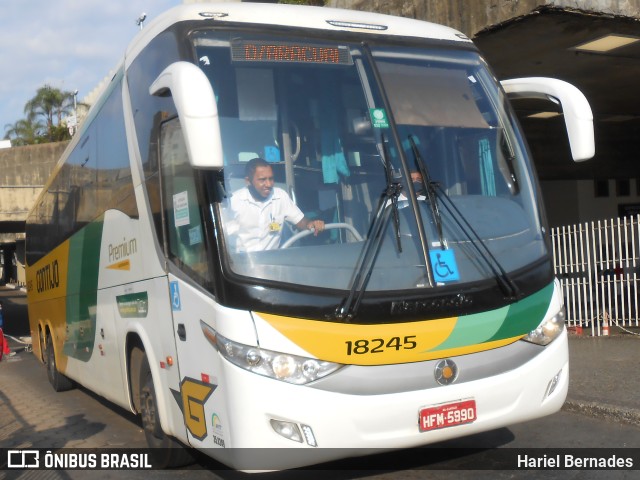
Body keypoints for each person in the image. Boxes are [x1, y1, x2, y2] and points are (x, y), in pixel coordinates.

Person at [225, 158, 325, 252]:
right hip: (240, 263)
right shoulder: (232, 201)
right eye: (262, 180)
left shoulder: (280, 196)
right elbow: (221, 236)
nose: (269, 184)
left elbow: (301, 221)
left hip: (272, 262)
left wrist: (311, 224)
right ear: (248, 181)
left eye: (271, 179)